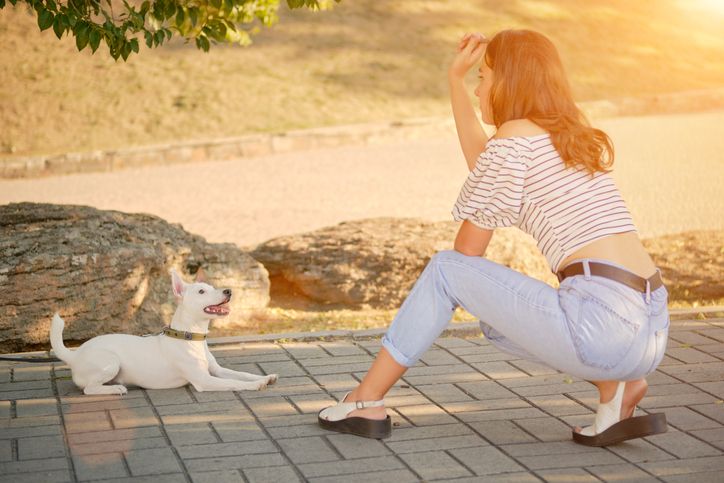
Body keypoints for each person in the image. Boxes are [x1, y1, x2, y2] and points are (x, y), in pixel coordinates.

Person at [318, 29, 670, 447]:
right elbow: (485, 164)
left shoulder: (516, 137)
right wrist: (455, 81)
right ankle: (615, 387)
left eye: (482, 77)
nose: (480, 87)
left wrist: (454, 80)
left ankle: (366, 399)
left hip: (603, 321)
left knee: (446, 269)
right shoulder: (565, 135)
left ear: (508, 80)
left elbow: (467, 253)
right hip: (651, 326)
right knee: (497, 320)